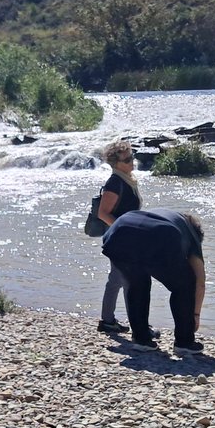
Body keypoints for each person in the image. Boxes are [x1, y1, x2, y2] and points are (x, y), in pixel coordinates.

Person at [101, 208, 206, 356]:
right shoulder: (192, 235)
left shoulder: (168, 215)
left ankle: (141, 339)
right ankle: (184, 342)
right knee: (185, 285)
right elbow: (200, 282)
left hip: (119, 230)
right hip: (160, 234)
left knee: (136, 284)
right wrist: (195, 316)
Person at [95, 141, 142, 334]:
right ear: (116, 163)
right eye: (128, 159)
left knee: (117, 279)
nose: (133, 161)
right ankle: (137, 324)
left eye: (132, 156)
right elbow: (103, 213)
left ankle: (108, 321)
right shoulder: (115, 182)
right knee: (127, 280)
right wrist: (123, 229)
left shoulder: (127, 179)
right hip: (120, 238)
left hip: (127, 237)